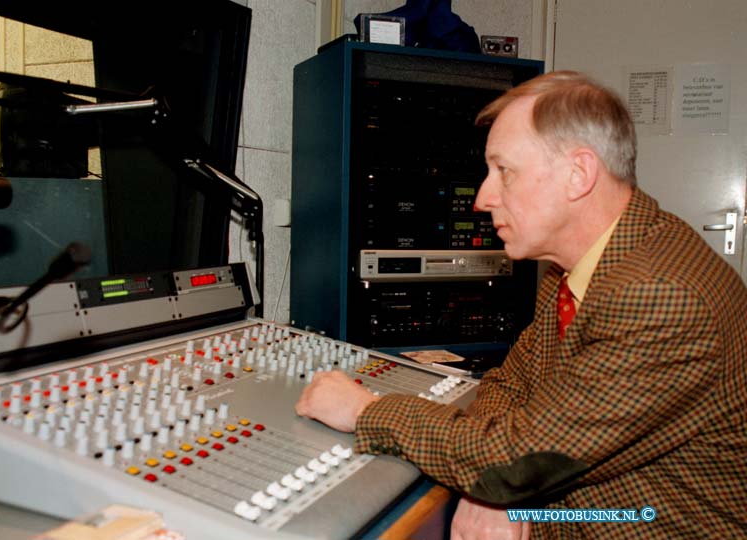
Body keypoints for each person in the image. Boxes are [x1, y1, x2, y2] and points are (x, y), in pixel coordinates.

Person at [295, 71, 747, 539]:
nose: (484, 198)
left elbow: (518, 459)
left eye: (504, 171)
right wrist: (493, 484)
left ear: (579, 174)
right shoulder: (572, 268)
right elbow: (512, 384)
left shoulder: (661, 294)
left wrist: (367, 410)